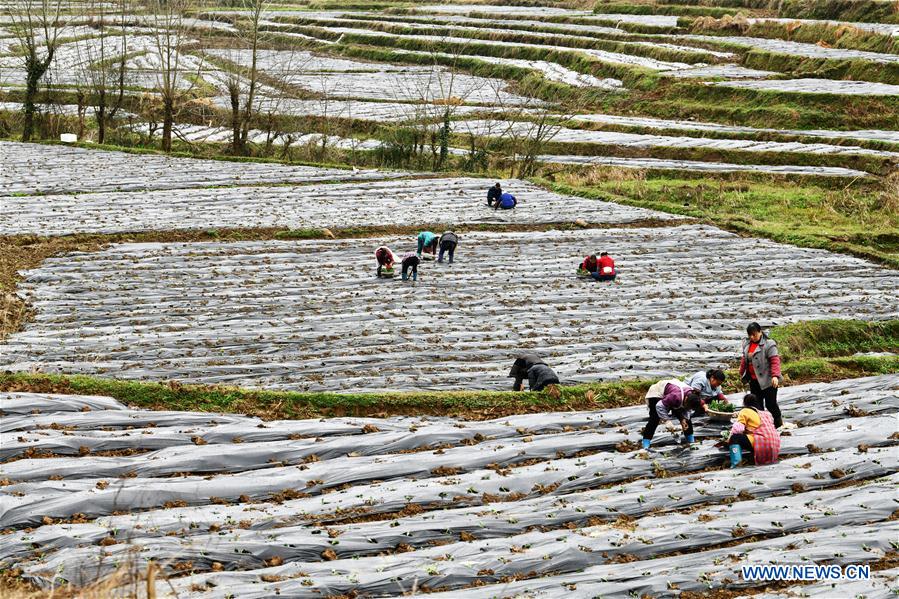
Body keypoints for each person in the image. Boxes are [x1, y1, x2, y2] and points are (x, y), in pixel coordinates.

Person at [739, 322, 783, 428]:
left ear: (760, 332)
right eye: (750, 335)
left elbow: (775, 361)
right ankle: (763, 426)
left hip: (768, 380)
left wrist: (775, 376)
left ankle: (778, 424)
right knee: (757, 405)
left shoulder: (769, 344)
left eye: (754, 334)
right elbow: (744, 359)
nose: (752, 337)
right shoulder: (747, 344)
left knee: (771, 404)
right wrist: (741, 371)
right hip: (754, 380)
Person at [641, 379, 702, 450]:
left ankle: (691, 441)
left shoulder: (692, 397)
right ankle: (646, 443)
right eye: (687, 405)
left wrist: (683, 420)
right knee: (655, 418)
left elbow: (687, 410)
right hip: (657, 393)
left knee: (687, 421)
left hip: (674, 394)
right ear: (686, 399)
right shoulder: (675, 396)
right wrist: (667, 420)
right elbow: (659, 406)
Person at [727, 393, 780, 468]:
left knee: (734, 438)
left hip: (761, 443)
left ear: (745, 403)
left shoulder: (745, 411)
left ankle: (736, 464)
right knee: (749, 436)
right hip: (775, 444)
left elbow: (738, 429)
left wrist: (729, 439)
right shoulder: (767, 413)